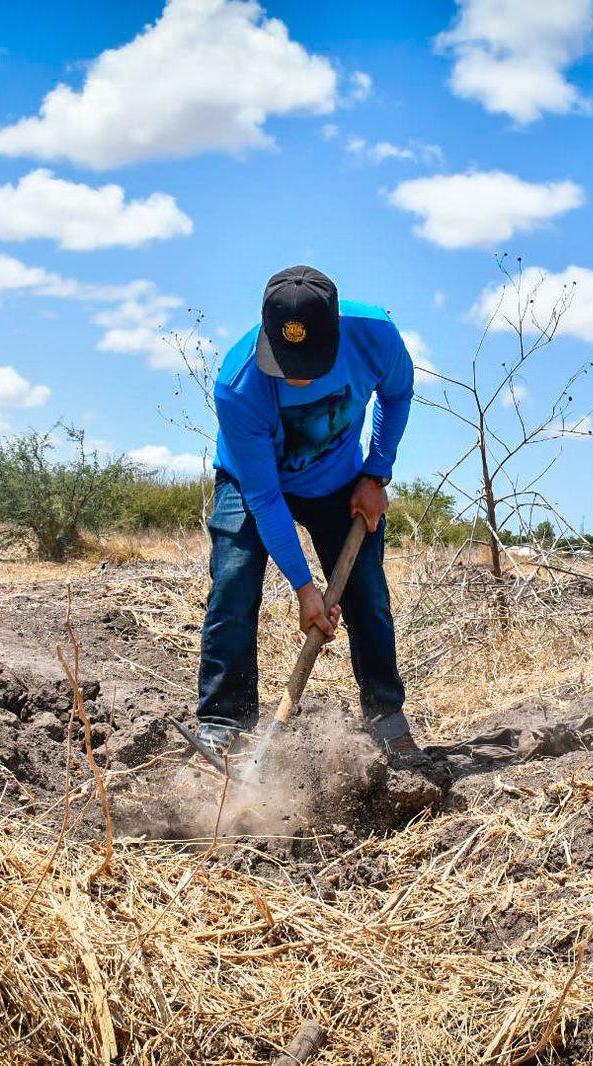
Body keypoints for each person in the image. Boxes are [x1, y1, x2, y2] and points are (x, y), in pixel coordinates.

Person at [196, 265, 418, 759]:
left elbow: (397, 394)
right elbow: (266, 497)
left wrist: (376, 473)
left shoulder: (375, 335)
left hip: (338, 480)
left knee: (367, 593)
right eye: (285, 359)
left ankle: (387, 721)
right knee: (233, 581)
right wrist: (304, 588)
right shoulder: (237, 384)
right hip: (251, 481)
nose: (296, 375)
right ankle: (222, 722)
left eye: (311, 359)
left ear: (338, 329)